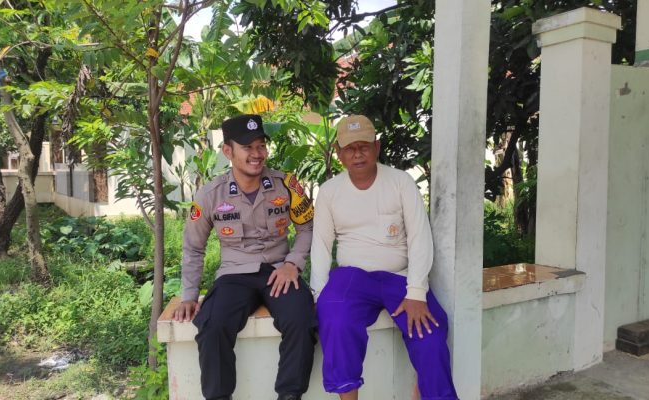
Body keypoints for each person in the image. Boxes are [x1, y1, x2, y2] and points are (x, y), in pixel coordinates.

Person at [310, 115, 458, 400]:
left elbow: (420, 237)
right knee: (335, 320)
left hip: (399, 277)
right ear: (339, 153)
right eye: (350, 148)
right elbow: (321, 245)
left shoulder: (401, 182)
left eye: (364, 146)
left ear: (376, 147)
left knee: (430, 333)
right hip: (351, 278)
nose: (358, 154)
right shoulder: (329, 192)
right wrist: (318, 294)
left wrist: (416, 292)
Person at [173, 114, 316, 400]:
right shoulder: (209, 195)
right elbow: (193, 247)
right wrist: (189, 295)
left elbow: (307, 227)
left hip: (279, 271)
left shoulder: (286, 184)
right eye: (247, 147)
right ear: (228, 151)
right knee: (212, 324)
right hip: (234, 274)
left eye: (261, 146)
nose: (257, 154)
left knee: (302, 319)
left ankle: (290, 396)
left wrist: (293, 263)